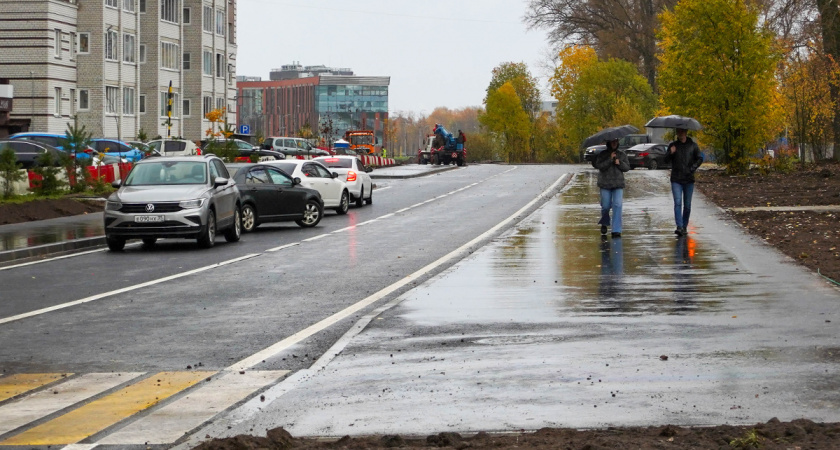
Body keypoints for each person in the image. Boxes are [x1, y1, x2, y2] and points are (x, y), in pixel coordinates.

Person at [663, 128, 703, 236]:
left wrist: (692, 168)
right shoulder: (673, 146)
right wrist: (671, 153)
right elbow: (665, 160)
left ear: (685, 132)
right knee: (677, 203)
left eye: (682, 131)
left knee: (687, 205)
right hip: (676, 179)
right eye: (678, 131)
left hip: (689, 179)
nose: (680, 133)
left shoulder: (693, 146)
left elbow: (700, 158)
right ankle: (679, 226)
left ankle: (684, 226)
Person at [594, 138, 630, 237]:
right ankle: (605, 222)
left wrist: (620, 163)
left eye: (616, 141)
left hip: (618, 184)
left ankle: (616, 230)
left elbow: (627, 167)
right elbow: (599, 166)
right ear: (609, 143)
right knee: (605, 206)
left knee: (617, 205)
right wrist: (610, 159)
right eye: (612, 141)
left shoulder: (622, 154)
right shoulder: (603, 154)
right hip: (605, 184)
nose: (614, 143)